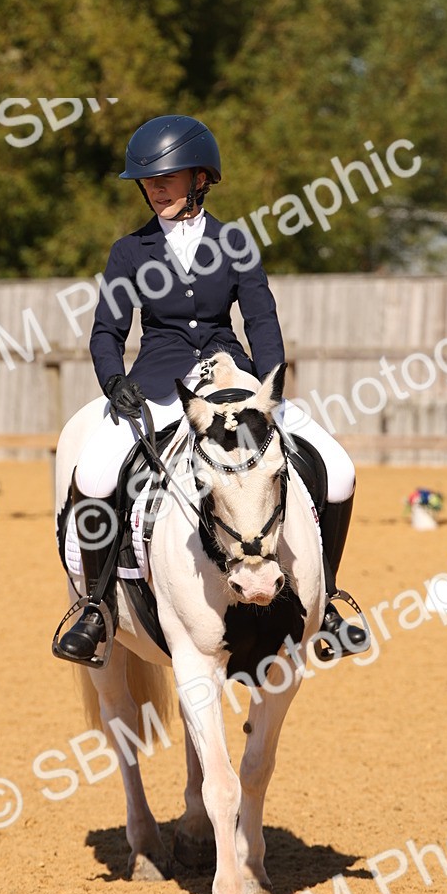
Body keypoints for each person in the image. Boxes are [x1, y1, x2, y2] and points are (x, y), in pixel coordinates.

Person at [56, 114, 368, 663]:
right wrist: (113, 381)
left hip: (238, 382)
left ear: (200, 177)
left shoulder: (235, 241)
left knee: (338, 469)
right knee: (96, 473)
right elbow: (107, 331)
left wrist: (269, 386)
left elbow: (262, 320)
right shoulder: (130, 251)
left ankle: (330, 601)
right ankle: (96, 607)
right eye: (148, 182)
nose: (154, 189)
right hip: (158, 381)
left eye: (166, 178)